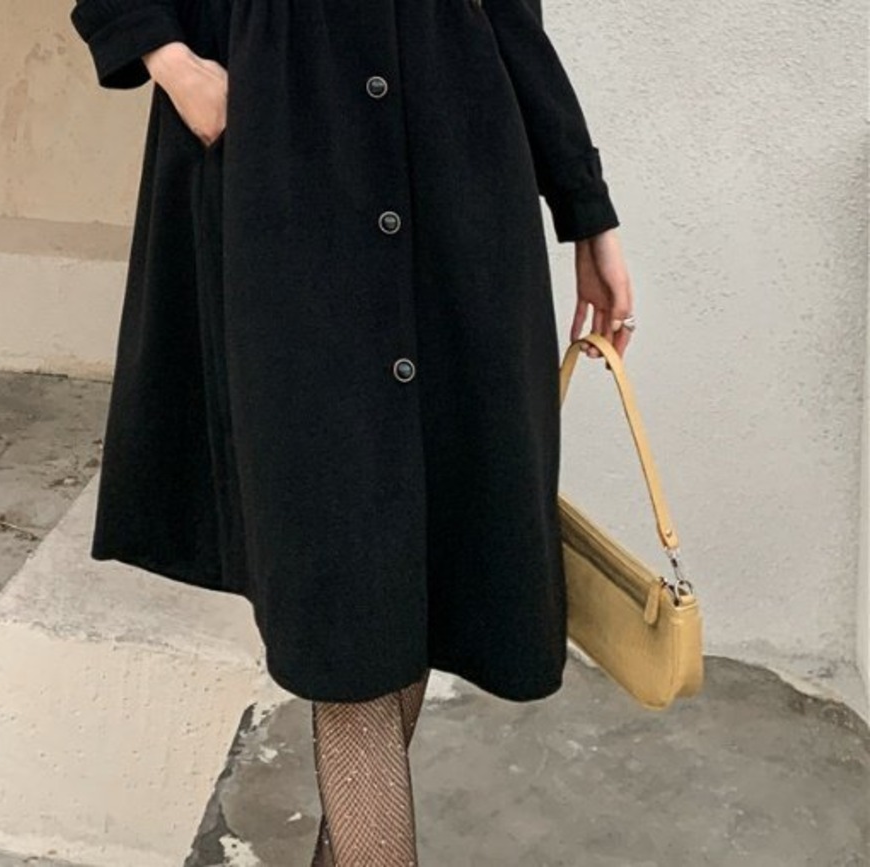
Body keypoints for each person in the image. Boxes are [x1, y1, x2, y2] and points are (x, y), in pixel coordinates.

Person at [69, 1, 635, 863]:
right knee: (345, 594)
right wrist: (174, 64)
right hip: (288, 180)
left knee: (408, 574)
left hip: (457, 184)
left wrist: (587, 209)